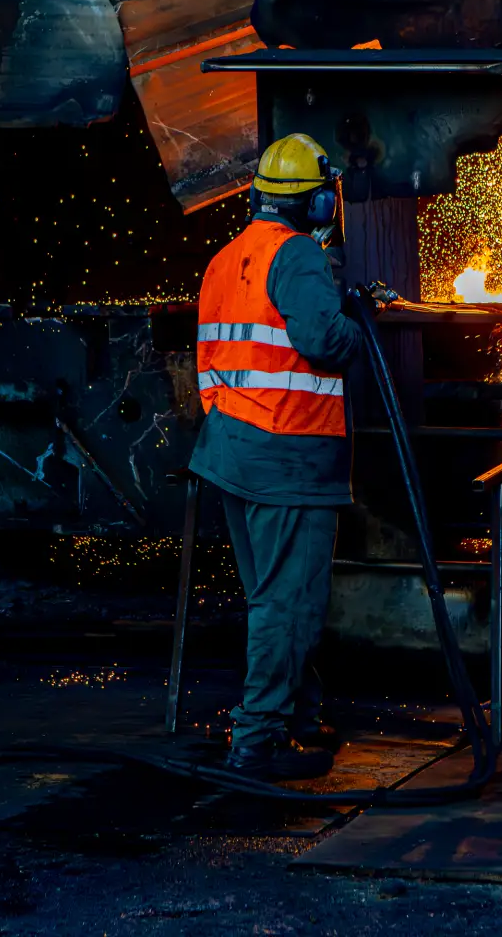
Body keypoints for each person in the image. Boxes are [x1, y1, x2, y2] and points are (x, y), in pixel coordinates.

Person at [191, 132, 365, 781]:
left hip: (232, 449)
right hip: (289, 454)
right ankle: (258, 740)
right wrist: (360, 321)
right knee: (288, 604)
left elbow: (213, 359)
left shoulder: (225, 258)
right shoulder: (297, 256)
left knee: (275, 595)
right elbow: (323, 340)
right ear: (315, 202)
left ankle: (298, 718)